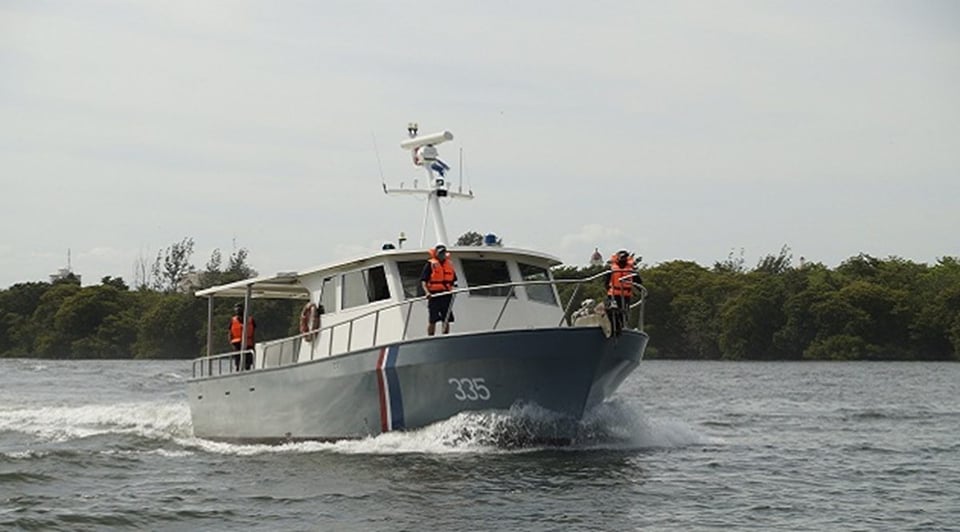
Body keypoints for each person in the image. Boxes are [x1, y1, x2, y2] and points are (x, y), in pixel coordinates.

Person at [420, 243, 457, 336]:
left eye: (443, 253)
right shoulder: (430, 264)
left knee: (446, 318)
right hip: (434, 295)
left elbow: (453, 280)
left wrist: (454, 289)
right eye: (440, 253)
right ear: (436, 253)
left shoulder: (449, 264)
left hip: (446, 295)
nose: (442, 255)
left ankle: (445, 336)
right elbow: (423, 281)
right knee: (433, 319)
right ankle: (430, 337)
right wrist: (427, 293)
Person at [605, 250, 641, 336]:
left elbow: (638, 282)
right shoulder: (611, 269)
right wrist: (608, 290)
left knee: (623, 313)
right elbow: (606, 282)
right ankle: (612, 327)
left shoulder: (631, 270)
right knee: (611, 310)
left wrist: (640, 291)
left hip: (625, 295)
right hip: (613, 294)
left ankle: (620, 328)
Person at [228, 303, 256, 370]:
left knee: (248, 364)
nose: (238, 311)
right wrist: (231, 343)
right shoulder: (233, 320)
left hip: (248, 343)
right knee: (238, 363)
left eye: (240, 309)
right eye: (237, 309)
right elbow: (229, 333)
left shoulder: (250, 320)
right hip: (237, 344)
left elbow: (254, 333)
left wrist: (253, 345)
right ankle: (238, 372)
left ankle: (247, 372)